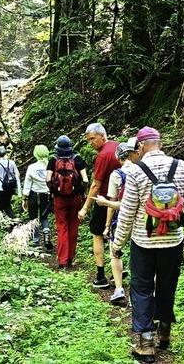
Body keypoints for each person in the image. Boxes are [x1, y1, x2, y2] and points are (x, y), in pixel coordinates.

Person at [112, 127, 184, 363]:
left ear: (140, 147)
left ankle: (146, 343)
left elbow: (128, 213)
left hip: (144, 242)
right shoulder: (181, 167)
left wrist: (117, 244)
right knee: (167, 284)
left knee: (142, 288)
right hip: (173, 241)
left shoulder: (136, 172)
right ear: (159, 143)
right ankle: (164, 332)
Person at [92, 137, 139, 306]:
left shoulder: (116, 174)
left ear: (119, 158)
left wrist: (106, 225)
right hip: (139, 219)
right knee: (138, 253)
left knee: (115, 251)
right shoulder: (141, 170)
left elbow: (112, 204)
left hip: (120, 219)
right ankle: (138, 290)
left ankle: (119, 289)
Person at [78, 123, 120, 288]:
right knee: (116, 233)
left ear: (103, 135)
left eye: (92, 139)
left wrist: (85, 207)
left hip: (104, 200)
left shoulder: (103, 156)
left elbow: (96, 184)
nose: (90, 143)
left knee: (97, 234)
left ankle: (100, 276)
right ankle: (118, 267)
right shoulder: (118, 147)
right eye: (88, 140)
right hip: (120, 200)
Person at [46, 135, 89, 268]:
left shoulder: (53, 159)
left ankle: (62, 260)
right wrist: (83, 193)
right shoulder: (77, 159)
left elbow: (48, 179)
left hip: (59, 199)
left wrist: (53, 191)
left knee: (61, 227)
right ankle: (70, 258)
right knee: (73, 226)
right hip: (76, 198)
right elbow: (86, 180)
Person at [22, 144, 53, 249]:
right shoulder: (50, 166)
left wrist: (25, 199)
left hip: (33, 195)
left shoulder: (32, 167)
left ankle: (35, 240)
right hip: (46, 195)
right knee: (44, 216)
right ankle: (46, 233)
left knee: (33, 217)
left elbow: (27, 184)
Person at [0, 146, 21, 218]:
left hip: (0, 188)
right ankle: (13, 219)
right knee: (7, 204)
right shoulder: (11, 162)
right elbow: (17, 174)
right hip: (10, 187)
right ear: (5, 153)